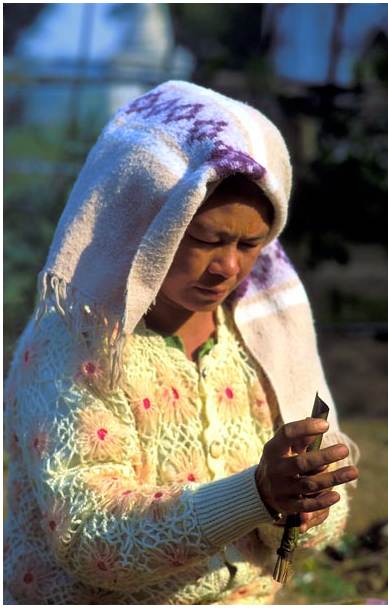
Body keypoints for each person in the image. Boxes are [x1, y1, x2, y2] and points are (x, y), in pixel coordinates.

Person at [4, 80, 359, 605]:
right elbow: (89, 535)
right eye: (206, 239)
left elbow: (317, 530)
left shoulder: (262, 337)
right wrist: (255, 494)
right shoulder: (80, 340)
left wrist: (302, 502)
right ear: (144, 223)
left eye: (250, 244)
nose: (229, 267)